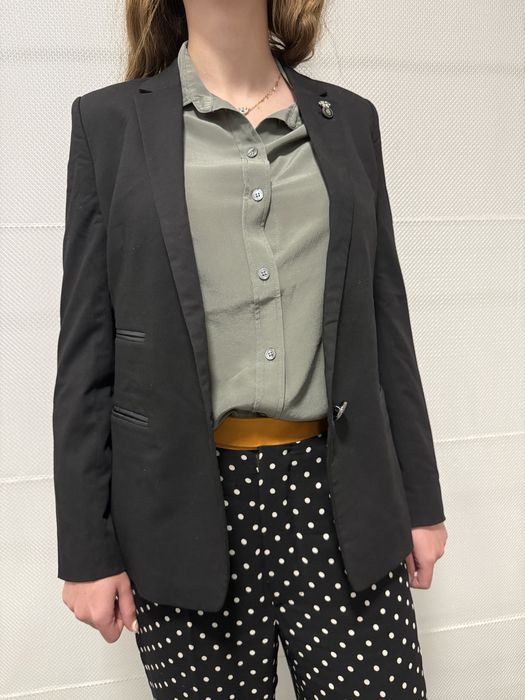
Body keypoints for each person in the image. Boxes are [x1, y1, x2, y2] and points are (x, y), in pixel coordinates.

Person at [54, 0, 448, 697]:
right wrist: (88, 549)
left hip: (341, 494)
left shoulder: (349, 121)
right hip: (181, 506)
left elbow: (386, 321)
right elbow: (86, 351)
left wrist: (420, 498)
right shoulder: (108, 124)